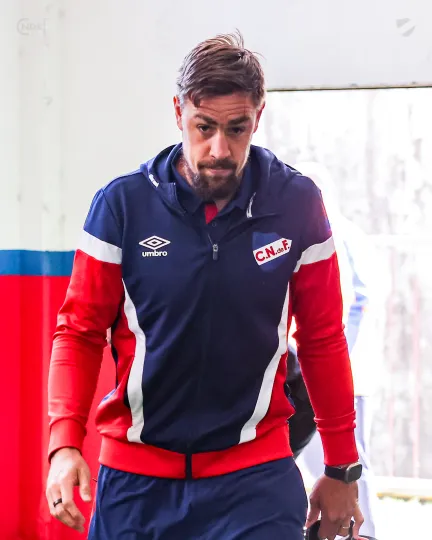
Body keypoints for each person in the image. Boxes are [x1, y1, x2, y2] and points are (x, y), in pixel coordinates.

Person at [46, 32, 364, 540]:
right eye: (204, 127)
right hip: (136, 485)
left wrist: (342, 467)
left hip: (255, 483)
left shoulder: (298, 204)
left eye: (237, 129)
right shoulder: (121, 206)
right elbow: (79, 331)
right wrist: (64, 444)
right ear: (179, 113)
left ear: (258, 116)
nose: (220, 149)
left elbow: (323, 338)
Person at [293, 162, 379, 538]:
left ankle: (364, 533)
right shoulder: (332, 232)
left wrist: (335, 364)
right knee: (342, 464)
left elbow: (356, 301)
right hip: (337, 371)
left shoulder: (334, 234)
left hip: (344, 373)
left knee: (347, 465)